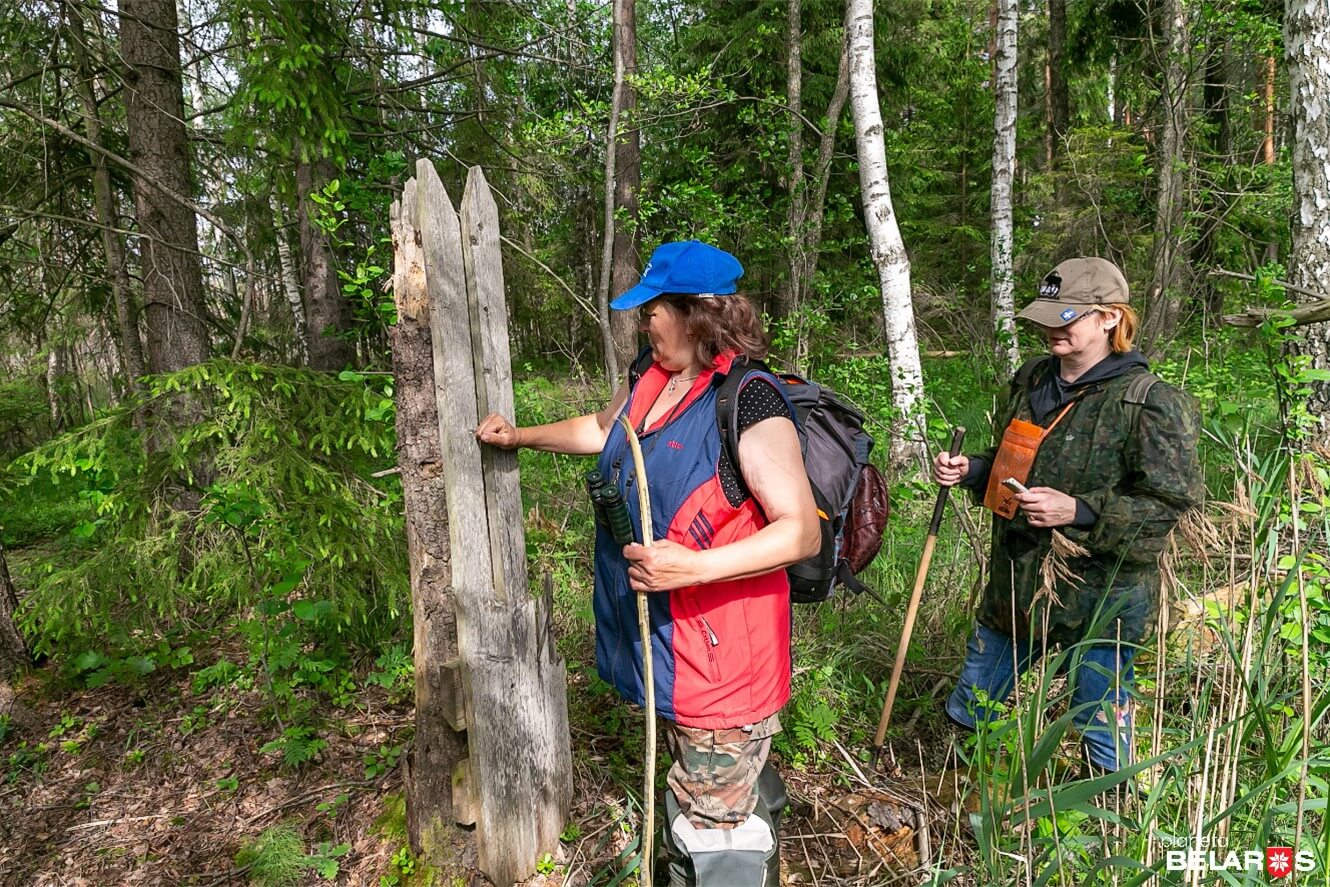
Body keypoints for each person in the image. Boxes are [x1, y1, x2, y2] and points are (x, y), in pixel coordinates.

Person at [475, 240, 819, 887]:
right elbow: (606, 431)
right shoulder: (654, 376)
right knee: (709, 792)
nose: (641, 321)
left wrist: (693, 567)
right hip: (676, 646)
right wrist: (518, 435)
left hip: (724, 659)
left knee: (716, 826)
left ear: (694, 313)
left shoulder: (747, 397)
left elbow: (800, 532)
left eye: (652, 309)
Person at [933, 257, 1203, 778]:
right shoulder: (1033, 380)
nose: (1050, 328)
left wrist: (1077, 511)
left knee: (1099, 724)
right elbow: (1014, 461)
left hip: (1103, 599)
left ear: (1108, 318)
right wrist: (974, 470)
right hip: (1015, 584)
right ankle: (958, 802)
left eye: (1067, 317)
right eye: (1047, 316)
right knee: (971, 710)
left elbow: (1170, 506)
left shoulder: (1150, 403)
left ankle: (1109, 820)